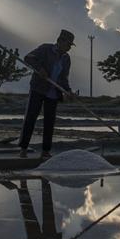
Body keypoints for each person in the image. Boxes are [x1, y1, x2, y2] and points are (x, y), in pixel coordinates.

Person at [18, 29, 74, 159]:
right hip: (38, 88)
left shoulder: (66, 59)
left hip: (53, 93)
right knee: (31, 118)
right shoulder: (45, 49)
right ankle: (23, 148)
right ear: (60, 41)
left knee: (49, 122)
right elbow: (28, 58)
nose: (69, 47)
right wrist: (40, 69)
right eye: (68, 44)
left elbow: (64, 78)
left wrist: (68, 91)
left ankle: (45, 151)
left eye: (70, 45)